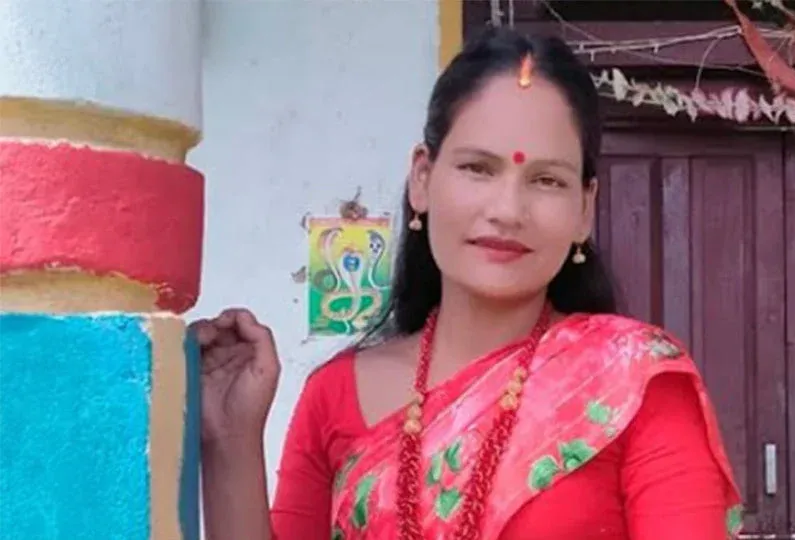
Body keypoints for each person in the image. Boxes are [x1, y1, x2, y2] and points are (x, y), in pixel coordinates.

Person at [195, 27, 743, 540]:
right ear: (422, 178)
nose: (507, 210)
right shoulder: (335, 394)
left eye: (546, 180)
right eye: (478, 168)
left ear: (584, 208)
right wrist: (230, 441)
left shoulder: (635, 383)